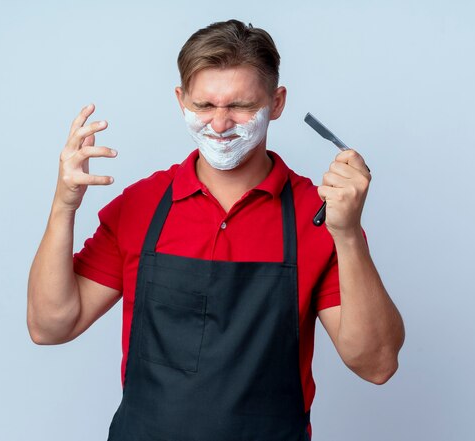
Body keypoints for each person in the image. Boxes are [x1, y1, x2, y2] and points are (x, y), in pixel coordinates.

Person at [27, 19, 404, 441]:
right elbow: (50, 326)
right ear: (180, 99)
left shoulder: (319, 217)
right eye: (204, 106)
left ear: (276, 103)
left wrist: (349, 235)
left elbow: (376, 364)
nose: (220, 124)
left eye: (240, 106)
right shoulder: (141, 206)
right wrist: (64, 206)